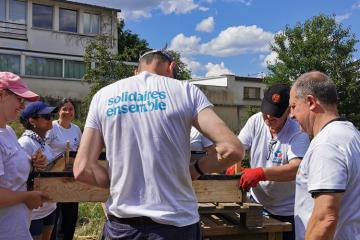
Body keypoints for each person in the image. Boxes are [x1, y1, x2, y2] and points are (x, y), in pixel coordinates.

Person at [73, 48, 244, 240]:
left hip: (123, 228)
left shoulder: (103, 96)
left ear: (136, 71)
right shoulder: (186, 91)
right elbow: (233, 149)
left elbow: (81, 169)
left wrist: (119, 182)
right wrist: (195, 169)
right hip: (176, 225)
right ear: (171, 67)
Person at [290, 71, 360, 240]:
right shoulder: (351, 135)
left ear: (310, 102)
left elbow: (325, 218)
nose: (291, 115)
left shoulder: (327, 144)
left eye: (293, 106)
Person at [236, 83, 310, 240]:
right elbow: (238, 148)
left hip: (287, 210)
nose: (268, 118)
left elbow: (295, 169)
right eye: (266, 113)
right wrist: (234, 163)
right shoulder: (256, 121)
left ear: (288, 111)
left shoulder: (298, 131)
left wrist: (261, 173)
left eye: (274, 115)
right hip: (257, 204)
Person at [0, 72, 47, 239]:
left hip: (16, 229)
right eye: (19, 99)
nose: (22, 106)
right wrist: (26, 197)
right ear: (2, 94)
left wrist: (32, 163)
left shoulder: (9, 131)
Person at [18, 101, 59, 240]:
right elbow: (20, 178)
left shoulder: (43, 143)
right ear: (32, 120)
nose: (51, 119)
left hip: (49, 207)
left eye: (51, 116)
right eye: (46, 116)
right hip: (34, 211)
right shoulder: (25, 143)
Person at [46, 98, 82, 240]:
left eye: (71, 109)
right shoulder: (52, 127)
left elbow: (80, 150)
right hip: (53, 177)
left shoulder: (76, 129)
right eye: (64, 109)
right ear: (59, 111)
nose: (68, 112)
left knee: (70, 215)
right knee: (54, 215)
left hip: (71, 177)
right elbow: (44, 148)